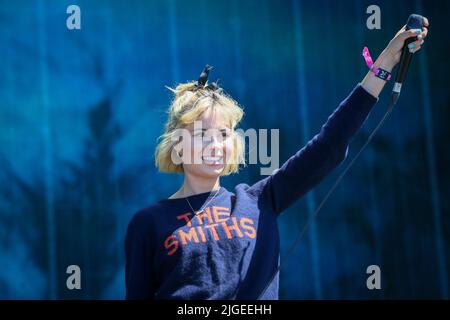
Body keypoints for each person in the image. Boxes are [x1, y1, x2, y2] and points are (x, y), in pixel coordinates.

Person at [125, 18, 429, 300]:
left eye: (223, 133)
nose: (215, 143)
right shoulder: (148, 223)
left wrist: (386, 60)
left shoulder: (258, 200)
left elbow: (329, 143)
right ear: (177, 146)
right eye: (203, 133)